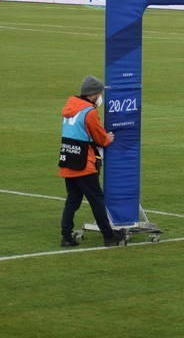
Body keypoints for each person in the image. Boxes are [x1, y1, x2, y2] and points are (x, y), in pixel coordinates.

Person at [58, 75, 126, 247]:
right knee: (96, 200)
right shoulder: (89, 112)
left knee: (73, 199)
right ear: (94, 94)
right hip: (84, 163)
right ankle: (109, 235)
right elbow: (100, 138)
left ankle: (66, 235)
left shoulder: (70, 109)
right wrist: (108, 137)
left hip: (68, 159)